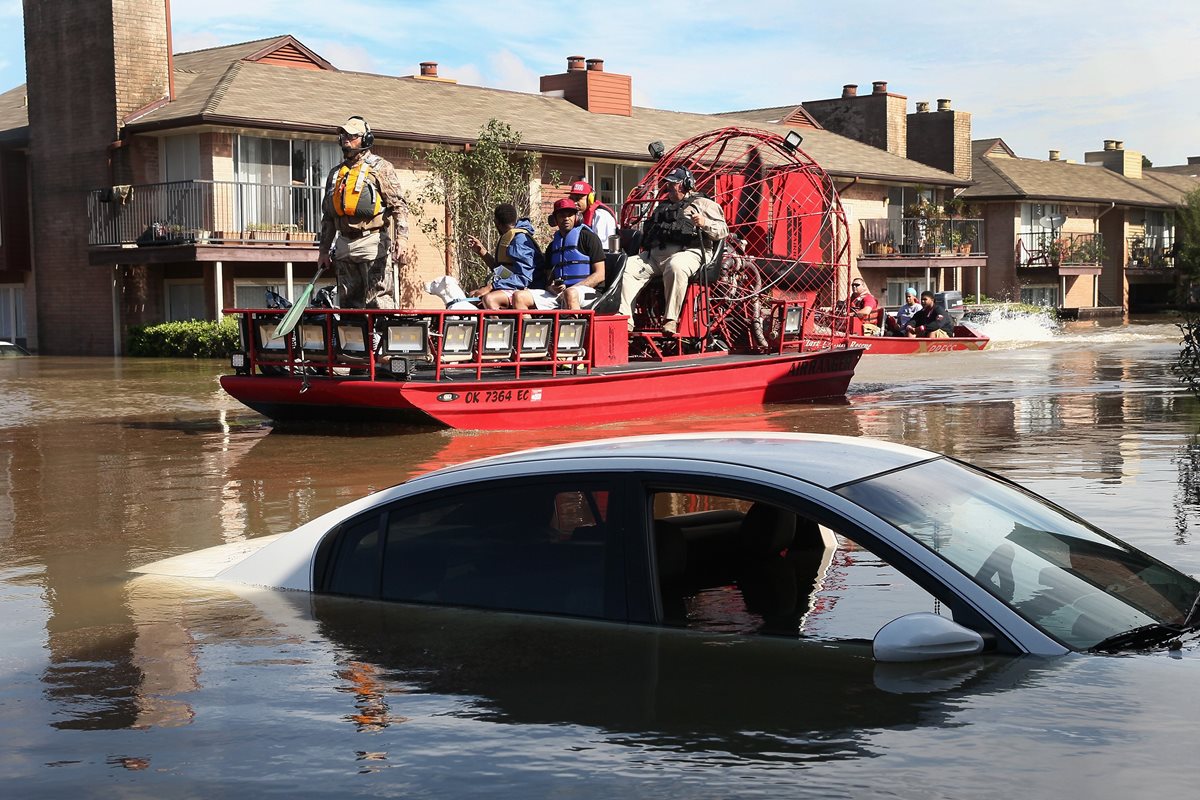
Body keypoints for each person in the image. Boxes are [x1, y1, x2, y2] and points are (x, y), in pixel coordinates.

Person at [617, 167, 729, 336]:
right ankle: (624, 320)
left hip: (690, 252)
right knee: (626, 267)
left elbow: (722, 230)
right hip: (656, 255)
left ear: (687, 184)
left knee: (675, 266)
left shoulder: (705, 204)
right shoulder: (664, 206)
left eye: (673, 183)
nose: (668, 186)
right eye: (668, 183)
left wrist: (704, 222)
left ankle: (670, 320)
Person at [317, 116, 409, 309]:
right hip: (344, 247)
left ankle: (381, 340)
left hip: (372, 244)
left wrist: (402, 239)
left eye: (352, 136)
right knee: (349, 307)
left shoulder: (380, 168)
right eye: (343, 135)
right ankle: (354, 340)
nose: (346, 140)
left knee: (378, 303)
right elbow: (328, 217)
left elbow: (398, 206)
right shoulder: (336, 174)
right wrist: (324, 251)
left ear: (366, 139)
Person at [514, 199, 606, 311]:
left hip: (588, 292)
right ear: (554, 220)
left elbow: (600, 274)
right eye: (562, 215)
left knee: (570, 293)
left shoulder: (589, 238)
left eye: (570, 214)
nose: (566, 218)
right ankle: (532, 328)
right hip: (560, 294)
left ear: (576, 217)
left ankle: (575, 327)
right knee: (519, 297)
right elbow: (548, 281)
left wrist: (573, 288)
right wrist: (552, 288)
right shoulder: (552, 246)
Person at [465, 204, 539, 309]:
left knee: (489, 299)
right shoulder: (510, 237)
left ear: (497, 223)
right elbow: (503, 271)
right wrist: (481, 251)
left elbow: (524, 278)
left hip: (529, 289)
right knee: (473, 295)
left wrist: (491, 287)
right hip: (514, 285)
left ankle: (499, 325)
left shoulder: (519, 240)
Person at [567, 179, 617, 249]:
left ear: (590, 199)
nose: (574, 202)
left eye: (578, 199)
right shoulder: (575, 215)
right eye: (572, 199)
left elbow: (603, 249)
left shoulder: (602, 216)